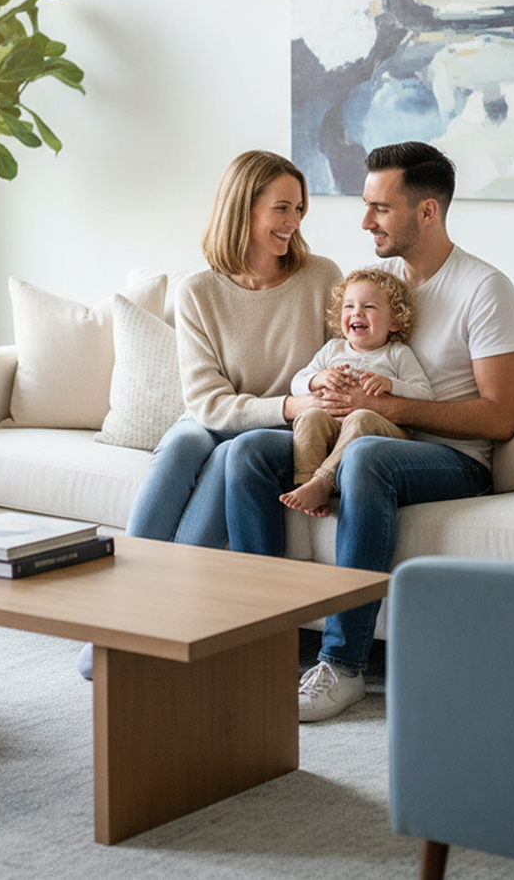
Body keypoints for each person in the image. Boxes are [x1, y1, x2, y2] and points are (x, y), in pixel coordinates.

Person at [224, 141, 514, 721]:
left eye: (380, 209)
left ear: (428, 211)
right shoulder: (376, 284)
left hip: (449, 457)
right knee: (247, 454)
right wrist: (323, 393)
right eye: (367, 206)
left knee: (367, 459)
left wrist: (391, 405)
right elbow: (333, 358)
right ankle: (259, 640)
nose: (365, 222)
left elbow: (499, 416)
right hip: (351, 433)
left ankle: (343, 665)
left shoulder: (485, 290)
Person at [77, 149, 341, 680]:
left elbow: (338, 364)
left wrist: (301, 405)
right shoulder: (197, 291)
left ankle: (165, 620)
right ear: (244, 209)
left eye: (298, 209)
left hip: (278, 431)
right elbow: (207, 404)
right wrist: (290, 401)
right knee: (183, 443)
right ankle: (118, 612)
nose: (293, 222)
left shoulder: (321, 278)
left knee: (228, 456)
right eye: (282, 209)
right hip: (221, 417)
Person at [280, 269, 432, 518]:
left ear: (395, 321)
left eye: (369, 306)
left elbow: (425, 395)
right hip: (335, 428)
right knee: (309, 418)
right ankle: (308, 485)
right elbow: (297, 382)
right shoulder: (332, 350)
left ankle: (323, 482)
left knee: (361, 417)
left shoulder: (396, 353)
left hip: (382, 431)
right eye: (348, 306)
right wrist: (318, 378)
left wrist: (391, 385)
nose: (356, 313)